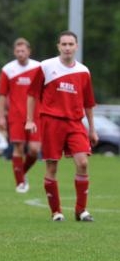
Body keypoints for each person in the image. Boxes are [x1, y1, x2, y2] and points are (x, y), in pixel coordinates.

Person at [25, 30, 98, 222]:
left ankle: (81, 210)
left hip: (75, 123)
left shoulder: (84, 71)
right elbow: (32, 94)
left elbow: (89, 103)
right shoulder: (46, 66)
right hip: (51, 122)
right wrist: (29, 119)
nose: (67, 48)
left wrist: (92, 128)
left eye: (70, 44)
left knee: (83, 163)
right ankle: (56, 212)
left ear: (76, 46)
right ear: (58, 46)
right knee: (52, 167)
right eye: (63, 44)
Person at [0, 38, 41, 193]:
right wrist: (1, 116)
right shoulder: (8, 69)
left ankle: (21, 172)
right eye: (18, 51)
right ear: (14, 52)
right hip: (15, 115)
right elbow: (2, 95)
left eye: (23, 51)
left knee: (35, 150)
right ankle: (20, 182)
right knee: (18, 147)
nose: (21, 53)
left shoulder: (39, 67)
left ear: (29, 51)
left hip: (36, 115)